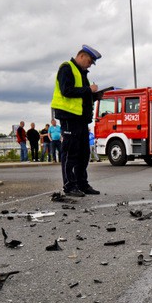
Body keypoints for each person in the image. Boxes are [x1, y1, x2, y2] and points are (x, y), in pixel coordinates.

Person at [51, 44, 103, 196]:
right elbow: (66, 91)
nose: (90, 65)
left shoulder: (82, 73)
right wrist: (89, 90)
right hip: (69, 118)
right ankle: (69, 185)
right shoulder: (66, 68)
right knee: (70, 153)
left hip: (81, 119)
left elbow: (81, 95)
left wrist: (94, 96)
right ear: (81, 56)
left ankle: (81, 183)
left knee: (83, 154)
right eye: (89, 61)